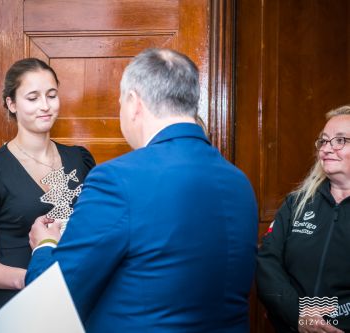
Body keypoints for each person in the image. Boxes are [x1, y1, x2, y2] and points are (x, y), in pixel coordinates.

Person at [25, 48, 259, 332]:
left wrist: (45, 245)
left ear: (134, 103)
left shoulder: (116, 180)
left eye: (121, 103)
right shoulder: (239, 182)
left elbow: (54, 298)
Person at [0, 58, 95, 322]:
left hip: (75, 296)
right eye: (32, 98)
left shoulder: (80, 159)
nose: (45, 106)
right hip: (17, 303)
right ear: (11, 104)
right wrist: (34, 279)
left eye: (52, 95)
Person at [257, 105, 350, 333]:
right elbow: (267, 263)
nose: (327, 149)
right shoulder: (296, 203)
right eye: (323, 141)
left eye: (340, 141)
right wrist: (296, 314)